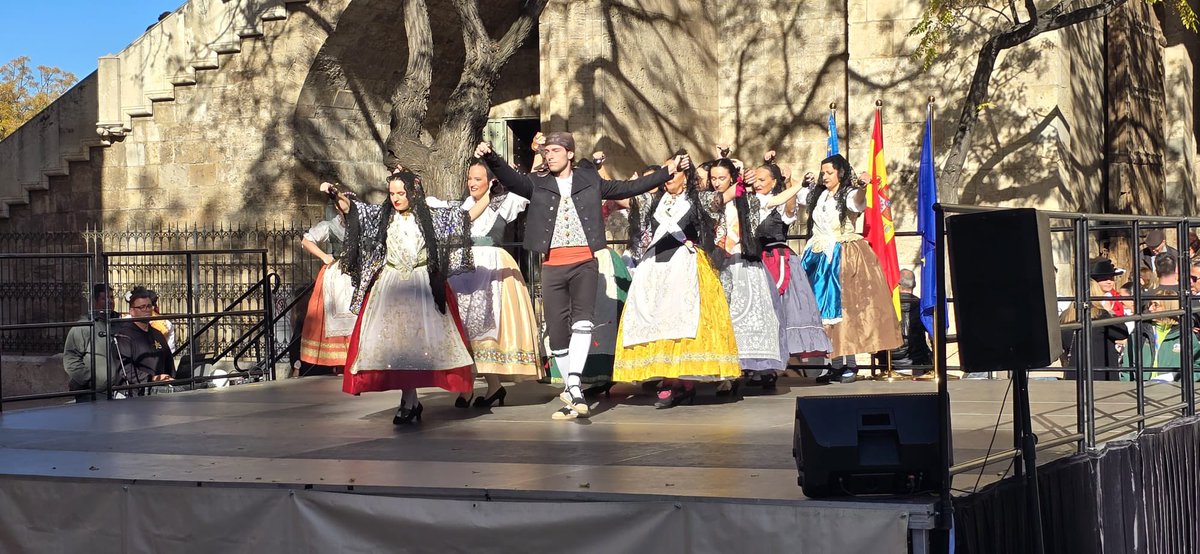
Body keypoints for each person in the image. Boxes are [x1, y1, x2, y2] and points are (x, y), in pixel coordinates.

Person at [475, 133, 684, 420]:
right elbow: (511, 179)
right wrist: (491, 157)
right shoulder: (538, 184)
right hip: (552, 264)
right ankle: (574, 393)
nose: (549, 155)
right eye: (546, 151)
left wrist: (666, 172)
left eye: (556, 151)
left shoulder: (590, 180)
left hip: (585, 262)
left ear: (570, 153)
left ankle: (573, 385)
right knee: (558, 330)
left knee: (583, 321)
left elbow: (629, 187)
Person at [325, 169, 485, 425]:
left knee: (416, 346)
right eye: (392, 194)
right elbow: (353, 210)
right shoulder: (384, 218)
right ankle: (408, 400)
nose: (396, 199)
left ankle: (409, 402)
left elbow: (463, 219)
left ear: (414, 192)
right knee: (398, 347)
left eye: (401, 193)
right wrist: (335, 195)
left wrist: (488, 195)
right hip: (391, 287)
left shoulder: (430, 218)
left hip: (421, 283)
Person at [612, 154, 740, 407]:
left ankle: (682, 380)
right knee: (658, 319)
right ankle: (669, 377)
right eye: (666, 172)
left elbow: (721, 198)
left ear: (687, 176)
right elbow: (624, 197)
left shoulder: (697, 199)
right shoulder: (653, 200)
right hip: (655, 270)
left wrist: (741, 180)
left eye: (676, 172)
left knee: (683, 319)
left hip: (685, 267)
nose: (669, 177)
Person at [797, 154, 903, 383]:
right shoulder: (820, 194)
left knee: (847, 309)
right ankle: (834, 363)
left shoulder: (848, 194)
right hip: (819, 256)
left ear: (840, 173)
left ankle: (851, 364)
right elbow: (799, 198)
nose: (824, 176)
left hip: (844, 254)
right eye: (823, 172)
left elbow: (857, 201)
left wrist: (863, 187)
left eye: (829, 172)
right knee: (824, 311)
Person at [447, 161, 542, 408]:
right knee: (464, 328)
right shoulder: (464, 206)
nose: (471, 183)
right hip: (463, 269)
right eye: (469, 178)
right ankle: (469, 386)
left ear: (490, 181)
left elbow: (526, 187)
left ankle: (493, 386)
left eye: (477, 179)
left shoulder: (504, 202)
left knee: (488, 326)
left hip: (490, 267)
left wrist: (537, 157)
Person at [742, 156, 833, 388]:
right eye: (757, 180)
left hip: (778, 259)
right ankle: (758, 365)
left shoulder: (779, 202)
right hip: (754, 260)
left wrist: (793, 182)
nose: (758, 183)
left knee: (782, 309)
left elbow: (789, 206)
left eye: (764, 179)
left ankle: (774, 366)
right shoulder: (750, 202)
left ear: (774, 182)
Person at [297, 207, 356, 375]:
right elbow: (307, 240)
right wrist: (324, 256)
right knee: (334, 312)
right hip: (336, 274)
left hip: (357, 273)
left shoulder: (361, 225)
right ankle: (340, 362)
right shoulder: (330, 226)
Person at [108, 287, 175, 394]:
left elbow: (169, 362)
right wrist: (152, 379)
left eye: (149, 306)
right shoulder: (124, 336)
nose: (147, 310)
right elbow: (125, 369)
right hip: (136, 393)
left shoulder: (157, 334)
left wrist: (168, 379)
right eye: (142, 307)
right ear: (132, 311)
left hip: (161, 391)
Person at [1059, 280, 1129, 381]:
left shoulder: (1065, 317)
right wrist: (1110, 312)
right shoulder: (1100, 315)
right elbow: (1122, 332)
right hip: (1101, 374)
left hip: (1074, 374)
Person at [63, 284, 119, 402]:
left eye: (111, 297)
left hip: (119, 391)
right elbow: (71, 359)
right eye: (104, 298)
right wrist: (89, 380)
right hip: (94, 393)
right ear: (94, 302)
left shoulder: (118, 324)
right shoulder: (84, 327)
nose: (110, 301)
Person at [889, 269, 932, 373]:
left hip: (889, 363)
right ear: (914, 284)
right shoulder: (922, 306)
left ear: (897, 284)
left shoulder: (887, 305)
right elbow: (933, 332)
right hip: (916, 362)